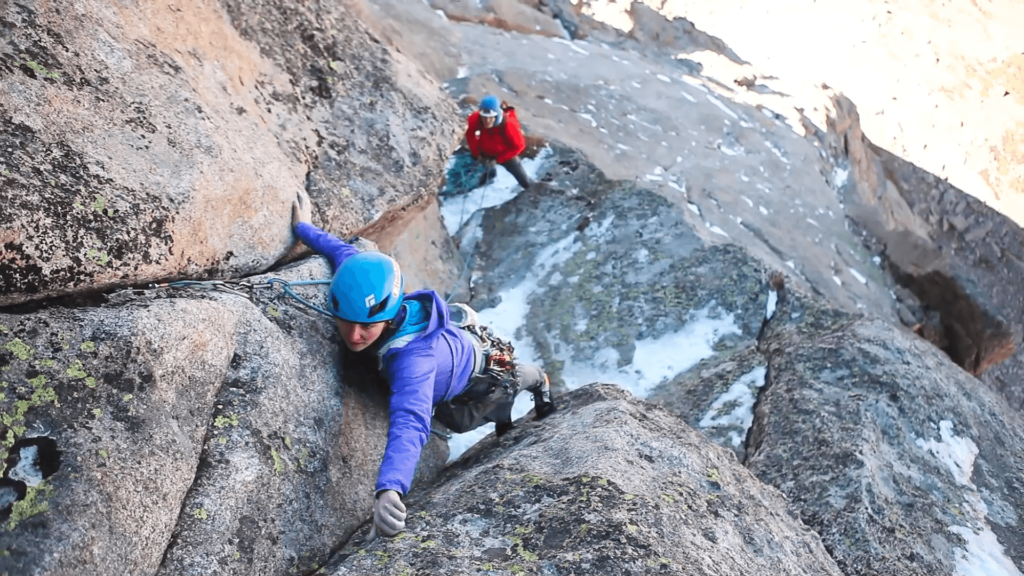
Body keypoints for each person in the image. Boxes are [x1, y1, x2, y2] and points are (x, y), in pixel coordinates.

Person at [290, 190, 557, 541]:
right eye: (346, 321)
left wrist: (390, 489)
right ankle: (514, 407)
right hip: (461, 353)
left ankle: (542, 385)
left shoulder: (413, 362)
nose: (354, 335)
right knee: (489, 409)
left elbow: (412, 420)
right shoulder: (368, 286)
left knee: (465, 417)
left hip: (479, 376)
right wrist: (303, 228)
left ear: (387, 318)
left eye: (366, 326)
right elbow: (342, 252)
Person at [465, 95, 532, 190]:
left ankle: (528, 188)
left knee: (525, 182)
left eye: (490, 117)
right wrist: (477, 153)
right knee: (487, 171)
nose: (487, 121)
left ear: (497, 115)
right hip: (485, 153)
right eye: (484, 117)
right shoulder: (476, 118)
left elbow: (519, 146)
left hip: (505, 154)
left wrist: (498, 159)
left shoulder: (509, 125)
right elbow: (470, 134)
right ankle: (487, 179)